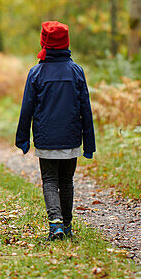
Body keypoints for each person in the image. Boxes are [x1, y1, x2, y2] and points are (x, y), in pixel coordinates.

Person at [15, 20, 96, 241]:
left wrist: (22, 138)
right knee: (66, 181)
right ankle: (67, 226)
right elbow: (85, 109)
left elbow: (27, 109)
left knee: (50, 180)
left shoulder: (36, 73)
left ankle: (56, 223)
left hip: (46, 139)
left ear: (44, 41)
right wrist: (89, 143)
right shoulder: (77, 72)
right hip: (71, 138)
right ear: (66, 42)